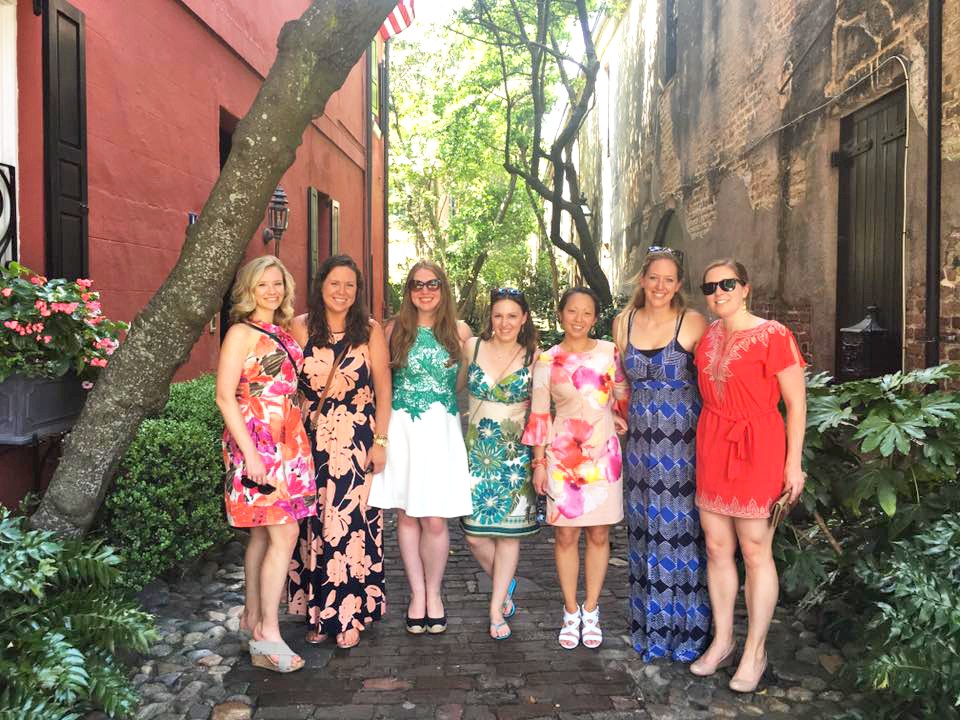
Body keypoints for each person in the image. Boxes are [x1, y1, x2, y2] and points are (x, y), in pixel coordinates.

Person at [690, 259, 806, 693]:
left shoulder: (774, 335)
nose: (718, 292)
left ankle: (755, 651)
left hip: (759, 445)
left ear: (745, 288)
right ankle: (723, 641)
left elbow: (796, 405)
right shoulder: (707, 337)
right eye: (709, 287)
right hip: (713, 442)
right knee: (717, 546)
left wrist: (793, 464)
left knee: (756, 549)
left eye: (727, 283)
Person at [216, 255, 316, 673]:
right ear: (249, 290)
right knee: (285, 531)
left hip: (289, 440)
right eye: (263, 285)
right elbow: (225, 396)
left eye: (277, 283)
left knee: (261, 534)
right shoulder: (240, 332)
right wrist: (251, 455)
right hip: (257, 442)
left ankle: (252, 617)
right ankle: (267, 633)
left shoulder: (284, 331)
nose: (272, 291)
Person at [287, 255, 391, 650]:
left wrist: (381, 442)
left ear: (357, 291)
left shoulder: (370, 330)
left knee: (349, 526)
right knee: (313, 525)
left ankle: (347, 615)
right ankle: (318, 613)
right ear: (321, 286)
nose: (342, 292)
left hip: (356, 440)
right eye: (335, 283)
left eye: (350, 285)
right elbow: (286, 385)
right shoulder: (299, 327)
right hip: (309, 439)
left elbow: (384, 389)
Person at [613, 248, 711, 663]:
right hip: (639, 446)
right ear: (642, 279)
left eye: (669, 279)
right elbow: (618, 382)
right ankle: (649, 628)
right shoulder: (623, 322)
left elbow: (713, 380)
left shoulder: (693, 322)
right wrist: (611, 412)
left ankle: (688, 630)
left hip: (683, 443)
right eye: (654, 277)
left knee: (682, 533)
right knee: (644, 533)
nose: (660, 286)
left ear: (679, 285)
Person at [368, 260, 473, 634]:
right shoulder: (392, 329)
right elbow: (380, 384)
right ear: (408, 290)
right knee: (407, 515)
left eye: (432, 284)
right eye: (417, 284)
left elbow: (463, 383)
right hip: (403, 430)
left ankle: (435, 592)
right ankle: (417, 595)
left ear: (443, 288)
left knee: (435, 518)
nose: (425, 291)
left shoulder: (460, 332)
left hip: (440, 431)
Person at [523, 286, 629, 650]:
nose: (579, 318)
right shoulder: (547, 360)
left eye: (587, 312)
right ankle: (570, 611)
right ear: (560, 314)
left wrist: (616, 414)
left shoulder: (609, 352)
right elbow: (539, 413)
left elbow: (622, 394)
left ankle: (592, 609)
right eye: (572, 311)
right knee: (566, 536)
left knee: (599, 535)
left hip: (603, 454)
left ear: (595, 317)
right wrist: (539, 463)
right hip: (563, 456)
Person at [459, 287, 540, 641]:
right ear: (490, 317)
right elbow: (452, 388)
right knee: (473, 536)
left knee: (508, 537)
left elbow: (542, 410)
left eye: (512, 316)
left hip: (514, 456)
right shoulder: (472, 347)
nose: (504, 323)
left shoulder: (535, 357)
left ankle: (495, 609)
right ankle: (504, 585)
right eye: (498, 315)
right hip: (477, 454)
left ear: (524, 319)